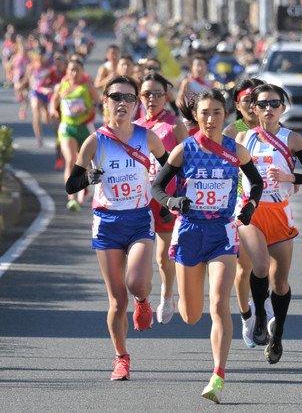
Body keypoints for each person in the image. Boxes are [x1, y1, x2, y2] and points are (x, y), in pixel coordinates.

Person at [151, 88, 263, 403]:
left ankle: (217, 375)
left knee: (218, 305)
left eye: (216, 112)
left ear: (225, 114)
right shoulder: (184, 150)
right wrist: (173, 201)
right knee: (190, 315)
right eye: (204, 113)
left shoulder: (235, 150)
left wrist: (251, 204)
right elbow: (158, 187)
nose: (211, 119)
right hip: (188, 232)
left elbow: (256, 181)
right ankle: (178, 300)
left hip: (221, 233)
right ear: (195, 116)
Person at [65, 75, 167, 381]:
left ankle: (144, 301)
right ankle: (121, 358)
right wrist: (90, 178)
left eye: (128, 98)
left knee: (136, 283)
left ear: (137, 104)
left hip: (138, 218)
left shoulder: (147, 137)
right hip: (107, 223)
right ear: (105, 102)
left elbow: (170, 170)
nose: (122, 103)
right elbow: (72, 184)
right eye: (116, 98)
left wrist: (166, 197)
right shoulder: (95, 141)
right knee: (116, 301)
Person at [235, 83, 302, 364]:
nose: (268, 109)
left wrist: (288, 178)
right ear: (254, 108)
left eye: (274, 104)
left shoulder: (292, 138)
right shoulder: (243, 137)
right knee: (258, 266)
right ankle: (259, 314)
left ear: (283, 107)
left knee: (279, 282)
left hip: (280, 214)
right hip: (251, 213)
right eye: (262, 104)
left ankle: (278, 334)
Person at [223, 77, 275, 348]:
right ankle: (247, 316)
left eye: (261, 102)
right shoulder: (234, 131)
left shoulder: (274, 128)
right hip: (241, 205)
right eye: (248, 102)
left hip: (274, 205)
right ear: (239, 105)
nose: (255, 107)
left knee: (267, 262)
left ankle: (264, 302)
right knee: (244, 267)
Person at [136, 73, 188, 324]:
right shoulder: (134, 126)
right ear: (139, 97)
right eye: (146, 94)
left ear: (166, 96)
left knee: (162, 256)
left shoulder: (174, 125)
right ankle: (141, 298)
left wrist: (178, 198)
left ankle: (167, 295)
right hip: (138, 199)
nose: (152, 99)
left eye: (157, 94)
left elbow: (190, 164)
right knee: (139, 255)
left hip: (166, 198)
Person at [50, 58, 99, 211]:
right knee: (70, 160)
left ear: (82, 71)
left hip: (84, 127)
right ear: (67, 71)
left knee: (84, 163)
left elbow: (97, 105)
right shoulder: (61, 86)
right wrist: (52, 109)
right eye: (71, 69)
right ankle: (71, 197)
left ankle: (85, 184)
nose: (74, 73)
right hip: (67, 128)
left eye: (77, 69)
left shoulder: (87, 87)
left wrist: (85, 110)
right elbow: (54, 99)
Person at [176, 54, 213, 135]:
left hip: (206, 120)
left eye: (202, 65)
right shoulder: (188, 82)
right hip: (190, 121)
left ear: (206, 67)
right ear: (192, 68)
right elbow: (179, 101)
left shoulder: (210, 83)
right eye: (197, 65)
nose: (200, 68)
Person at [94, 44, 120, 125]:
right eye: (112, 53)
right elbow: (96, 85)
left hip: (121, 98)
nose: (115, 56)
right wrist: (108, 79)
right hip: (108, 99)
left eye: (116, 53)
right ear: (107, 55)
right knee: (108, 122)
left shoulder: (121, 66)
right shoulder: (104, 68)